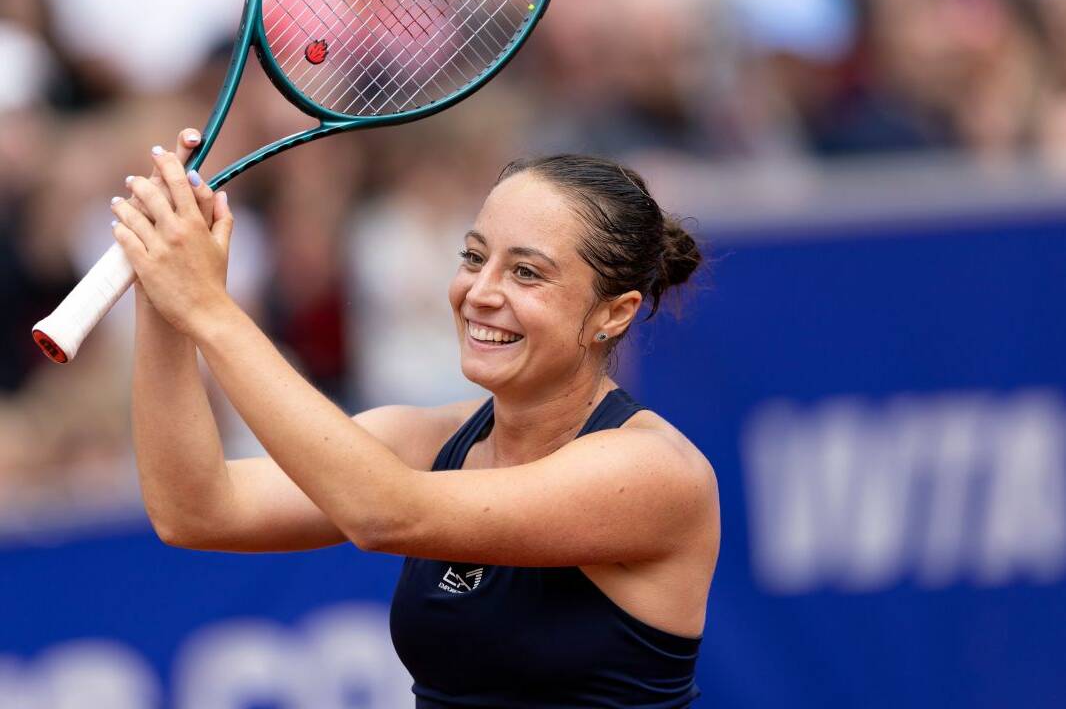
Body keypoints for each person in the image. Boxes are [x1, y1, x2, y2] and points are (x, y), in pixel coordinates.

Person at [109, 128, 721, 707]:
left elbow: (385, 514)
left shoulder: (655, 473)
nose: (480, 291)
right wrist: (162, 284)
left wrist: (210, 308)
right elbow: (196, 510)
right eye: (474, 257)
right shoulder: (426, 439)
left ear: (614, 313)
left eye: (526, 272)